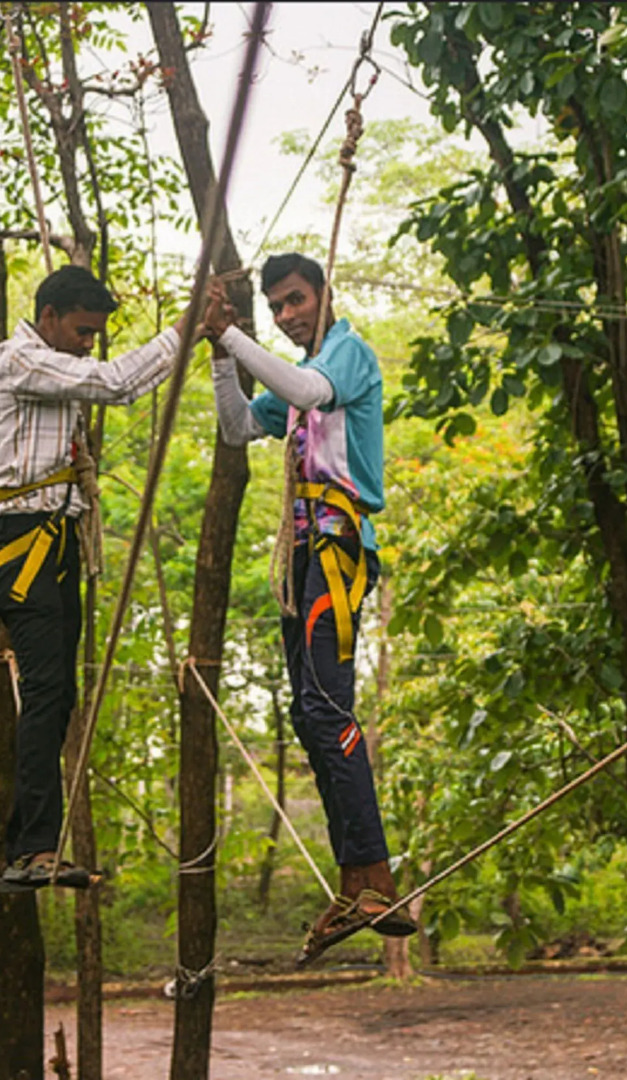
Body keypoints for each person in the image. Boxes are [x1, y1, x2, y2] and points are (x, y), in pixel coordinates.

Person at [203, 253, 416, 963]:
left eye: (296, 301)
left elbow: (309, 389)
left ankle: (376, 874)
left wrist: (235, 337)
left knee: (328, 708)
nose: (289, 315)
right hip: (302, 554)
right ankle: (357, 879)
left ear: (324, 294)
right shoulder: (293, 384)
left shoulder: (343, 355)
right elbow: (238, 426)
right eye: (278, 308)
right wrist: (216, 352)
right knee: (308, 716)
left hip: (337, 546)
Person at [0, 264, 217, 892]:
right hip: (23, 542)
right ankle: (30, 847)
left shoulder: (54, 367)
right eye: (82, 331)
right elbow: (114, 384)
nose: (89, 343)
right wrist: (187, 329)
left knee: (58, 697)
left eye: (95, 334)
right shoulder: (16, 359)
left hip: (52, 541)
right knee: (46, 688)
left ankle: (36, 847)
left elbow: (97, 380)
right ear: (50, 315)